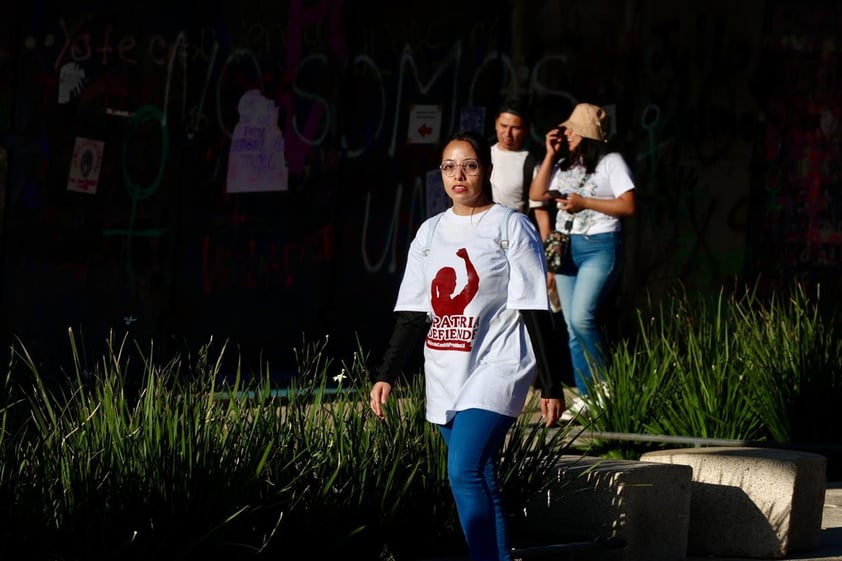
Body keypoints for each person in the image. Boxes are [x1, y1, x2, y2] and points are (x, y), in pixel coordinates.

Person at [370, 130, 565, 561]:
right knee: (482, 475)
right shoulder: (429, 231)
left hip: (499, 362)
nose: (459, 174)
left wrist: (550, 383)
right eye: (449, 166)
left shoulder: (510, 225)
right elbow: (413, 311)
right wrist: (387, 373)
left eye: (470, 165)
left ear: (488, 171)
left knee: (462, 471)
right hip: (446, 367)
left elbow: (534, 306)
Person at [529, 103, 636, 416]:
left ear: (589, 135)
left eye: (574, 129)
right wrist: (549, 154)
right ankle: (588, 396)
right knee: (572, 326)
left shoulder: (610, 162)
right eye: (567, 128)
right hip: (565, 248)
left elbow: (628, 205)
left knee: (582, 318)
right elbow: (537, 194)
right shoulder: (560, 163)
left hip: (599, 246)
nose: (567, 133)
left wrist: (584, 202)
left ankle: (605, 388)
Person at [489, 99, 552, 242]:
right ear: (495, 124)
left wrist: (548, 255)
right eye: (503, 126)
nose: (508, 133)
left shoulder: (530, 163)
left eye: (515, 128)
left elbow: (540, 212)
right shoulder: (481, 155)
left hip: (513, 238)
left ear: (526, 130)